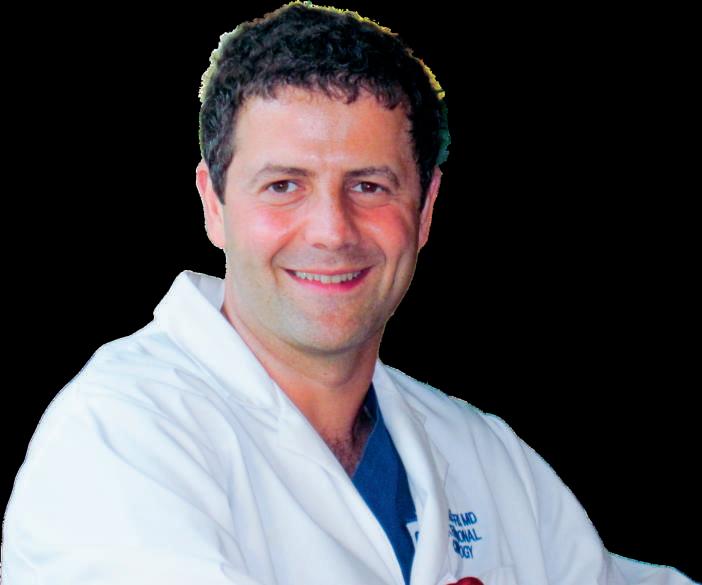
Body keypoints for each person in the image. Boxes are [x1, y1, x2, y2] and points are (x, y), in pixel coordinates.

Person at [1, 3, 695, 584]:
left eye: (369, 185)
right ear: (213, 203)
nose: (332, 231)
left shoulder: (483, 455)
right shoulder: (117, 438)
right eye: (284, 185)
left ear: (425, 210)